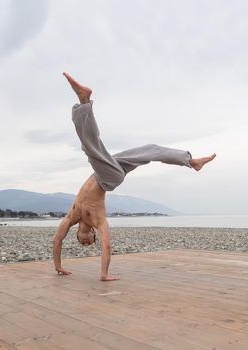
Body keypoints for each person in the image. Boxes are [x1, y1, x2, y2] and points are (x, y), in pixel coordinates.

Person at [53, 73, 216, 281]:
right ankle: (84, 102)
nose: (86, 242)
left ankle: (190, 161)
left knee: (149, 149)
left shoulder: (71, 216)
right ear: (94, 233)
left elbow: (57, 240)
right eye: (88, 243)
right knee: (91, 150)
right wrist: (104, 274)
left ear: (78, 233)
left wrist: (57, 266)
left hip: (108, 166)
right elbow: (107, 245)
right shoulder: (99, 220)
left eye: (83, 241)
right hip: (108, 178)